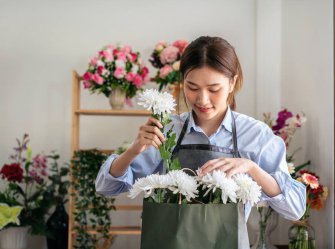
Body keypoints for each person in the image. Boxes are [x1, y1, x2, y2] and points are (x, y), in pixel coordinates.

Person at [95, 36, 306, 222]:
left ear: (232, 83)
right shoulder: (168, 129)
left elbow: (295, 208)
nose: (202, 100)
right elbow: (106, 187)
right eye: (192, 87)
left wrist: (251, 168)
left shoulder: (255, 134)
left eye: (214, 89)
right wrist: (134, 150)